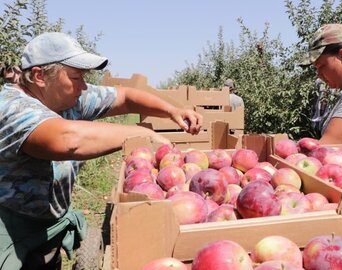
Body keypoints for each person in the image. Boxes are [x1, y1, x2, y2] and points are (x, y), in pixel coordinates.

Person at [0, 32, 203, 270]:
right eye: (76, 77)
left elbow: (126, 97)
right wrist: (143, 135)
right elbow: (68, 139)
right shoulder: (12, 108)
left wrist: (172, 111)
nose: (84, 86)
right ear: (39, 76)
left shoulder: (69, 98)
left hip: (46, 227)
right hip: (10, 232)